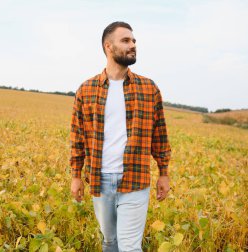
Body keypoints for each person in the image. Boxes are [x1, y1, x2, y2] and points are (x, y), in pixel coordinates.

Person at [69, 21, 172, 252]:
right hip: (100, 178)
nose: (133, 45)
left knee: (129, 247)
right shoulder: (86, 90)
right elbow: (77, 137)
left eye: (134, 41)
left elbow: (160, 135)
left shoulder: (149, 88)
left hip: (135, 180)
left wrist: (164, 172)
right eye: (126, 40)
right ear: (108, 46)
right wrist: (76, 175)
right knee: (109, 242)